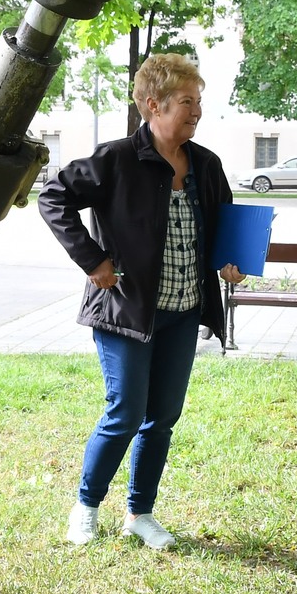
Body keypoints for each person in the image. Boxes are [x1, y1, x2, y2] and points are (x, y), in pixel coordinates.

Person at [37, 54, 243, 549]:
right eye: (187, 102)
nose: (197, 112)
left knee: (162, 418)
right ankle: (86, 507)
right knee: (125, 413)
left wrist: (231, 259)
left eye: (198, 101)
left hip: (184, 312)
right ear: (154, 105)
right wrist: (93, 259)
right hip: (125, 311)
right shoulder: (116, 159)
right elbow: (53, 198)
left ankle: (140, 513)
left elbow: (225, 222)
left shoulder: (206, 164)